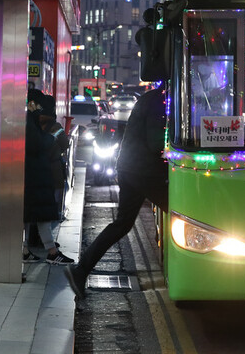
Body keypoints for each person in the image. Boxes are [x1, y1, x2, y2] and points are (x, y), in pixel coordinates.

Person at [64, 84, 168, 299]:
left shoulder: (153, 98)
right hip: (143, 170)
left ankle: (81, 270)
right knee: (182, 211)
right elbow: (155, 142)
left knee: (122, 223)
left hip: (132, 167)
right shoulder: (159, 102)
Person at [24, 88, 74, 265]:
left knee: (31, 216)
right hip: (37, 175)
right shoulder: (32, 121)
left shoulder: (29, 119)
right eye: (37, 104)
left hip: (36, 175)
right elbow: (37, 144)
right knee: (39, 215)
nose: (38, 108)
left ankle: (30, 250)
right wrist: (51, 138)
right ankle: (50, 252)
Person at [38, 94, 70, 221]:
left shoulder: (34, 125)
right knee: (55, 197)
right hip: (54, 168)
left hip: (38, 168)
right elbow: (65, 144)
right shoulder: (56, 127)